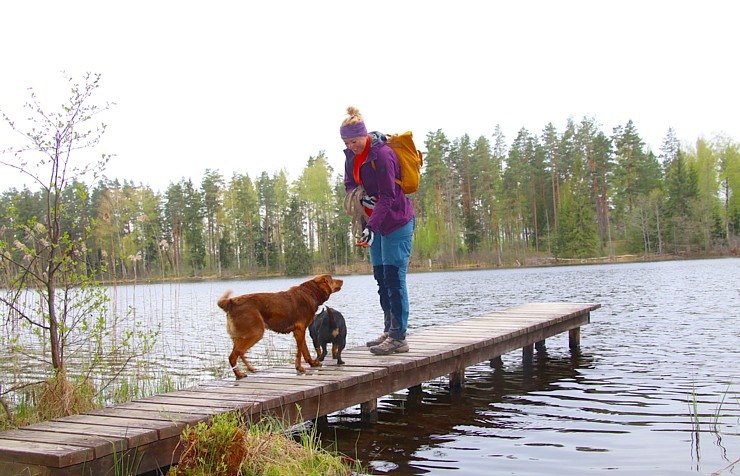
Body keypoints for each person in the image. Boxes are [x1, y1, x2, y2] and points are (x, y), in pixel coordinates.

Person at [340, 106, 415, 355]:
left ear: (364, 135)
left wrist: (371, 225)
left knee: (394, 278)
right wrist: (360, 200)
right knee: (382, 279)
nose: (352, 146)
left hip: (395, 222)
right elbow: (350, 184)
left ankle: (398, 337)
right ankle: (388, 330)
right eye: (347, 142)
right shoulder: (351, 156)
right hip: (373, 225)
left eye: (355, 141)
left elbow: (389, 196)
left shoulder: (382, 155)